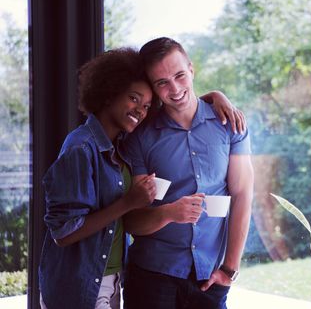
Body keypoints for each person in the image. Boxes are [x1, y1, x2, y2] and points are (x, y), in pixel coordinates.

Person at [39, 47, 244, 309]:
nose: (140, 110)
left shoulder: (119, 144)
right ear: (108, 93)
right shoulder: (81, 147)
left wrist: (214, 97)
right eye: (133, 99)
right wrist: (130, 203)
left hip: (110, 276)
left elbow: (181, 105)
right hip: (81, 281)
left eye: (146, 105)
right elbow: (63, 233)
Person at [122, 37, 254, 309]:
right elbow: (132, 221)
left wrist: (230, 269)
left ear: (191, 70)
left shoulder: (230, 124)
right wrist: (168, 213)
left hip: (210, 278)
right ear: (153, 88)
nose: (175, 88)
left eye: (180, 75)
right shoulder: (140, 139)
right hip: (151, 276)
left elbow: (242, 195)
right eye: (162, 83)